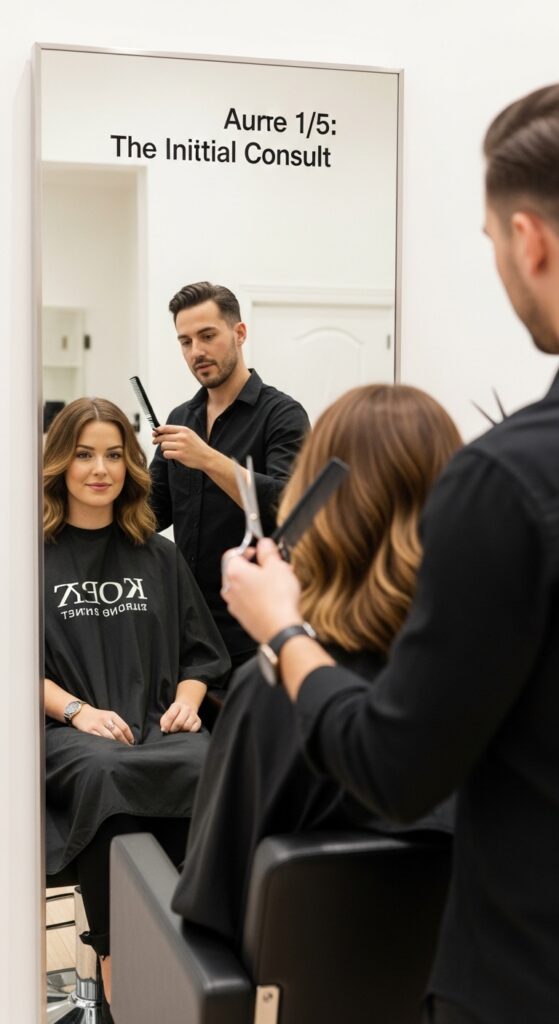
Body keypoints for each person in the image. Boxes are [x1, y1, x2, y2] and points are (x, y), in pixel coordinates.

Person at [220, 84, 559, 1024]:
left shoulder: (512, 481)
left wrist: (281, 632)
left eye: (490, 244)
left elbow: (395, 767)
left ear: (528, 239)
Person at [172, 383, 460, 948]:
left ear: (313, 506)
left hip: (290, 982)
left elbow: (210, 906)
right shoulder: (496, 672)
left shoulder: (272, 689)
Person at [43, 397, 230, 1014]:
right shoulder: (28, 557)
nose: (101, 469)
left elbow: (201, 655)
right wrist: (79, 712)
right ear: (60, 463)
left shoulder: (159, 555)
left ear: (131, 465)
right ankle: (116, 958)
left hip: (154, 722)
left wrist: (187, 704)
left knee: (204, 762)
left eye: (114, 455)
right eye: (84, 455)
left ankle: (192, 945)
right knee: (106, 772)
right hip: (70, 730)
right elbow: (14, 669)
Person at [149, 281, 310, 671]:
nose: (196, 352)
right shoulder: (180, 418)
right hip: (187, 627)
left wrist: (207, 458)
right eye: (185, 342)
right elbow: (154, 512)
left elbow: (287, 507)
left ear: (239, 333)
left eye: (207, 336)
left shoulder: (282, 415)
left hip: (253, 630)